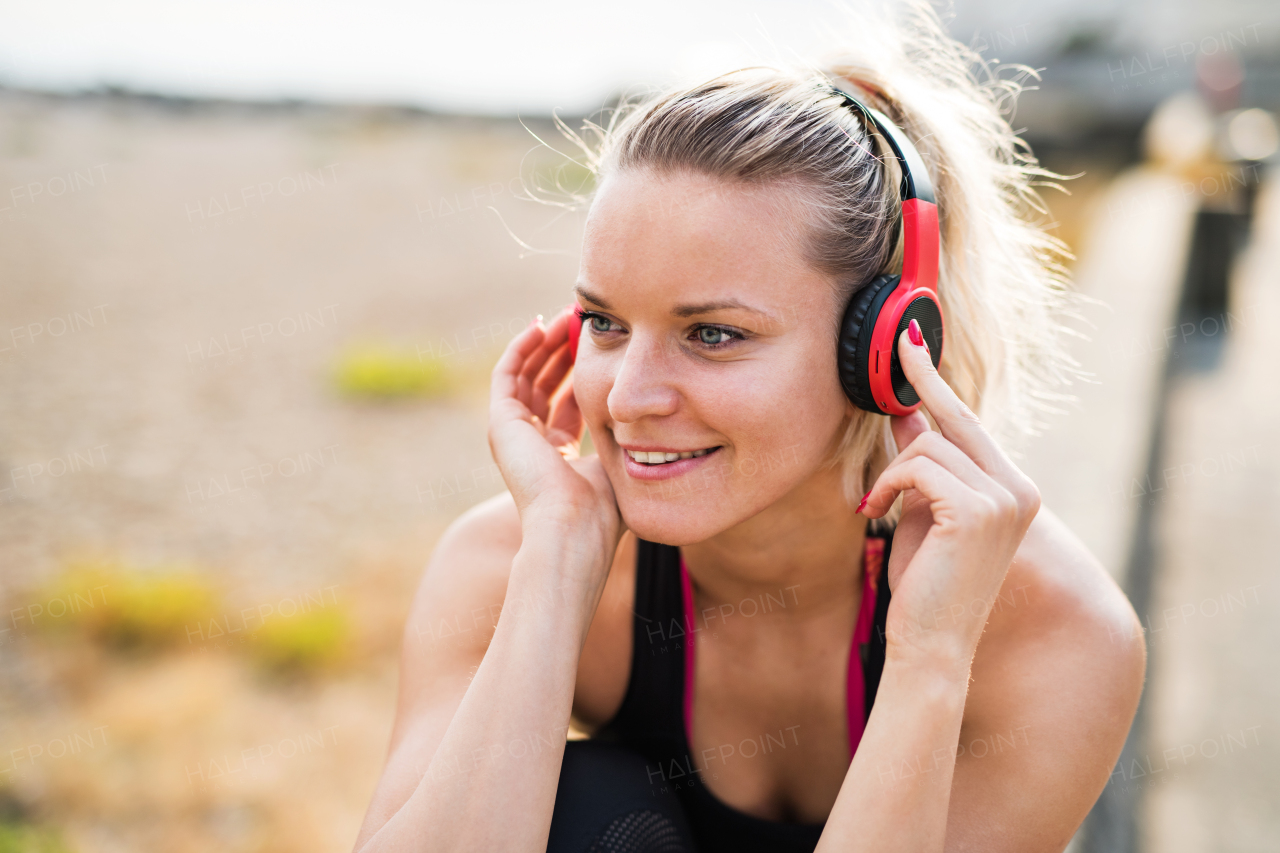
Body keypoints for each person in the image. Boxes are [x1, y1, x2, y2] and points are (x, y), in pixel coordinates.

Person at [354, 3, 1145, 851]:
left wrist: (930, 658)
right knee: (592, 806)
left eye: (713, 334)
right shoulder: (506, 564)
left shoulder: (1059, 634)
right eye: (606, 323)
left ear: (885, 346)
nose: (625, 400)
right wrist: (552, 566)